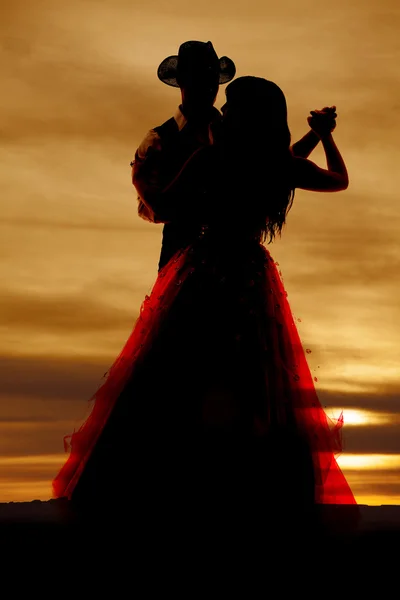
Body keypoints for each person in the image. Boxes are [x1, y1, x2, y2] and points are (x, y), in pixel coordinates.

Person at [52, 75, 356, 546]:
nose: (224, 112)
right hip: (251, 278)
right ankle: (258, 497)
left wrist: (141, 175)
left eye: (231, 106)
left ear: (242, 116)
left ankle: (159, 492)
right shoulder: (274, 164)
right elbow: (334, 179)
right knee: (255, 378)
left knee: (174, 374)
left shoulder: (211, 158)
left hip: (204, 270)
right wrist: (325, 136)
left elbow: (166, 205)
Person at [133, 40, 335, 271]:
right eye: (200, 78)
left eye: (211, 79)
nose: (208, 87)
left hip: (224, 261)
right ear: (182, 81)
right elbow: (150, 211)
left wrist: (138, 179)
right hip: (180, 260)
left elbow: (271, 163)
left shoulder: (231, 126)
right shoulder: (158, 139)